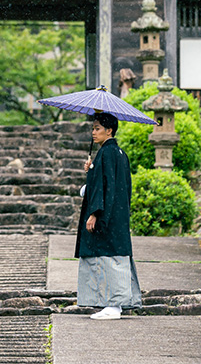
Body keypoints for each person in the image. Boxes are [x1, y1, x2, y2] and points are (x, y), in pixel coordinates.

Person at [75, 111, 142, 320]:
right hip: (117, 214)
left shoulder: (106, 153)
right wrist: (92, 172)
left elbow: (106, 187)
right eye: (93, 128)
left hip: (107, 215)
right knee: (115, 256)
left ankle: (114, 306)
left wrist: (95, 213)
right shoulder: (119, 153)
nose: (93, 132)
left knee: (108, 258)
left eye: (97, 128)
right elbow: (106, 183)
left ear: (109, 130)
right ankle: (115, 304)